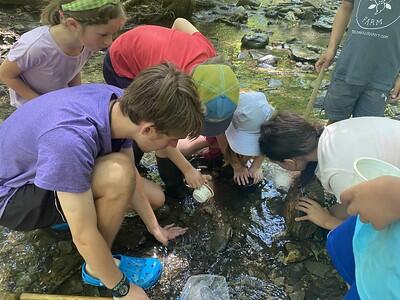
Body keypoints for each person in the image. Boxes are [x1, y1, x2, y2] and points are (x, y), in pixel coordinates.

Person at [0, 63, 204, 300]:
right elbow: (85, 233)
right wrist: (122, 288)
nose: (172, 147)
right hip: (11, 197)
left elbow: (131, 175)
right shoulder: (70, 140)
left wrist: (154, 227)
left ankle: (70, 211)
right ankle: (96, 268)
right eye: (171, 140)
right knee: (116, 176)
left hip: (35, 171)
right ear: (148, 129)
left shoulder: (119, 102)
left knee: (153, 197)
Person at [103, 18, 238, 199]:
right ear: (190, 98)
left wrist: (171, 39)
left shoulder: (211, 63)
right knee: (142, 128)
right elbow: (163, 136)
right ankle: (135, 175)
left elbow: (180, 22)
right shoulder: (168, 89)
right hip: (121, 64)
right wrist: (188, 170)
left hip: (145, 52)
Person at [258, 111, 400, 230]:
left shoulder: (337, 172)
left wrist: (325, 220)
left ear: (290, 162)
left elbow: (372, 226)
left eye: (278, 164)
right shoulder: (333, 131)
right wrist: (331, 211)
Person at [0, 0, 126, 108]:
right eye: (104, 34)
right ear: (72, 24)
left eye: (112, 34)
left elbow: (73, 69)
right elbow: (6, 75)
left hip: (59, 100)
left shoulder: (87, 43)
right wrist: (39, 103)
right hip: (31, 106)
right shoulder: (36, 46)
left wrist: (75, 95)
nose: (109, 42)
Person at [315, 0, 400, 124]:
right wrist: (331, 49)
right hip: (348, 66)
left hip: (383, 76)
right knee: (335, 124)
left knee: (366, 129)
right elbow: (346, 6)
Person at [326, 176, 400, 299]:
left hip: (383, 288)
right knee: (344, 248)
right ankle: (355, 282)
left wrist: (393, 193)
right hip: (374, 239)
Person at [178, 91, 273, 186]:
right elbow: (221, 139)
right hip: (218, 135)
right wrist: (237, 166)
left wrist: (256, 166)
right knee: (186, 148)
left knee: (244, 155)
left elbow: (267, 143)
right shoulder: (222, 116)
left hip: (230, 133)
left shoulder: (267, 120)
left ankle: (238, 158)